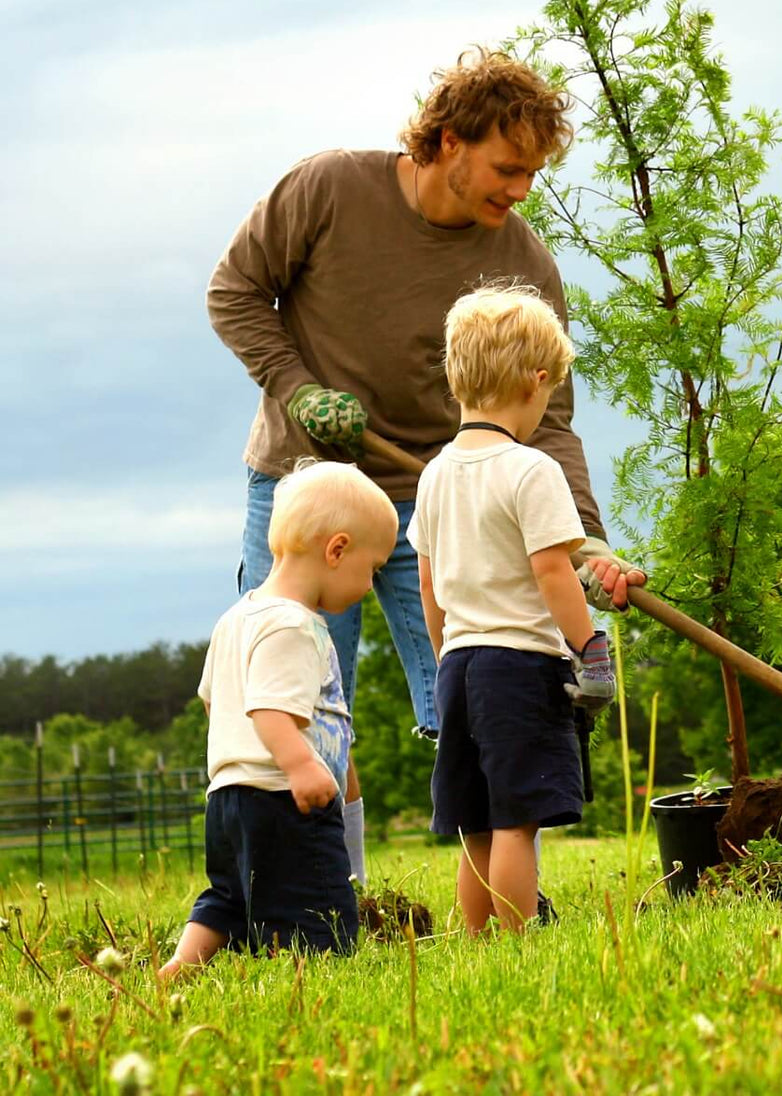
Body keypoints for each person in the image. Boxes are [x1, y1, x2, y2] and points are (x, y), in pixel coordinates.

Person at [206, 49, 645, 878]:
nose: (521, 191)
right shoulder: (328, 189)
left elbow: (548, 424)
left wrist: (583, 543)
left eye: (532, 175)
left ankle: (504, 892)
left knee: (480, 692)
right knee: (293, 695)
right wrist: (298, 392)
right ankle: (335, 892)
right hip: (306, 488)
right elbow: (233, 291)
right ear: (448, 140)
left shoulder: (523, 263)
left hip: (441, 499)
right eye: (509, 168)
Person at [408, 284, 616, 933]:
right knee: (516, 821)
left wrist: (445, 661)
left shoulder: (434, 473)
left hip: (461, 668)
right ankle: (518, 944)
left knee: (475, 824)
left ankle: (477, 943)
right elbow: (555, 571)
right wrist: (590, 648)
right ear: (536, 380)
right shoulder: (532, 470)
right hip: (521, 667)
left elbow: (428, 581)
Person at [159, 461, 399, 978]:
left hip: (228, 796)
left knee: (227, 896)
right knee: (320, 908)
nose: (369, 584)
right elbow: (269, 709)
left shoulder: (237, 617)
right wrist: (300, 766)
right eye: (371, 568)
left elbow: (212, 700)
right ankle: (310, 979)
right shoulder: (294, 625)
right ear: (336, 550)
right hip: (283, 797)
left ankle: (182, 964)